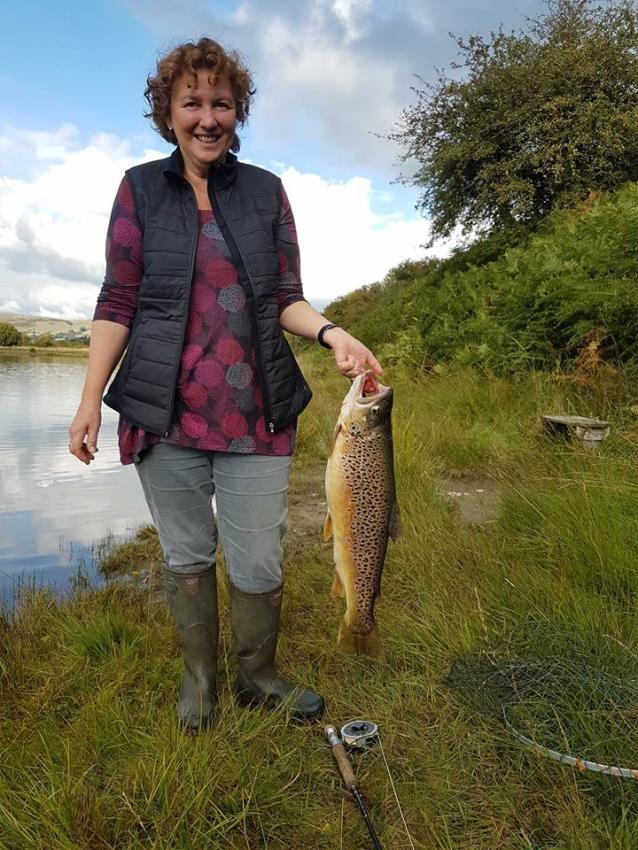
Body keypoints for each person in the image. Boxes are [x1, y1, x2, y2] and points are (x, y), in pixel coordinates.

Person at [68, 36, 383, 733]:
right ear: (168, 112)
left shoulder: (266, 192)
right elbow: (118, 301)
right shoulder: (139, 189)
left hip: (257, 411)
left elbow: (286, 298)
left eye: (221, 102)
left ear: (237, 111)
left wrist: (334, 334)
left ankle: (258, 674)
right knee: (185, 556)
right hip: (162, 411)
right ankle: (201, 679)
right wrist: (91, 399)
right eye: (192, 102)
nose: (207, 117)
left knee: (259, 555)